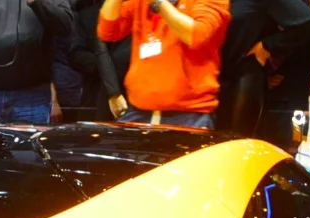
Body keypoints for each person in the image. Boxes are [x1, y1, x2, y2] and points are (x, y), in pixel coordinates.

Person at [98, 0, 229, 128]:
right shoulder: (140, 2)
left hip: (189, 116)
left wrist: (159, 3)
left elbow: (196, 35)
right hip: (138, 112)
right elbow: (107, 31)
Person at [219, 0, 310, 147]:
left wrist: (267, 48)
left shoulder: (306, 19)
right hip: (289, 104)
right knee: (291, 149)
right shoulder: (294, 17)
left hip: (289, 107)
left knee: (289, 150)